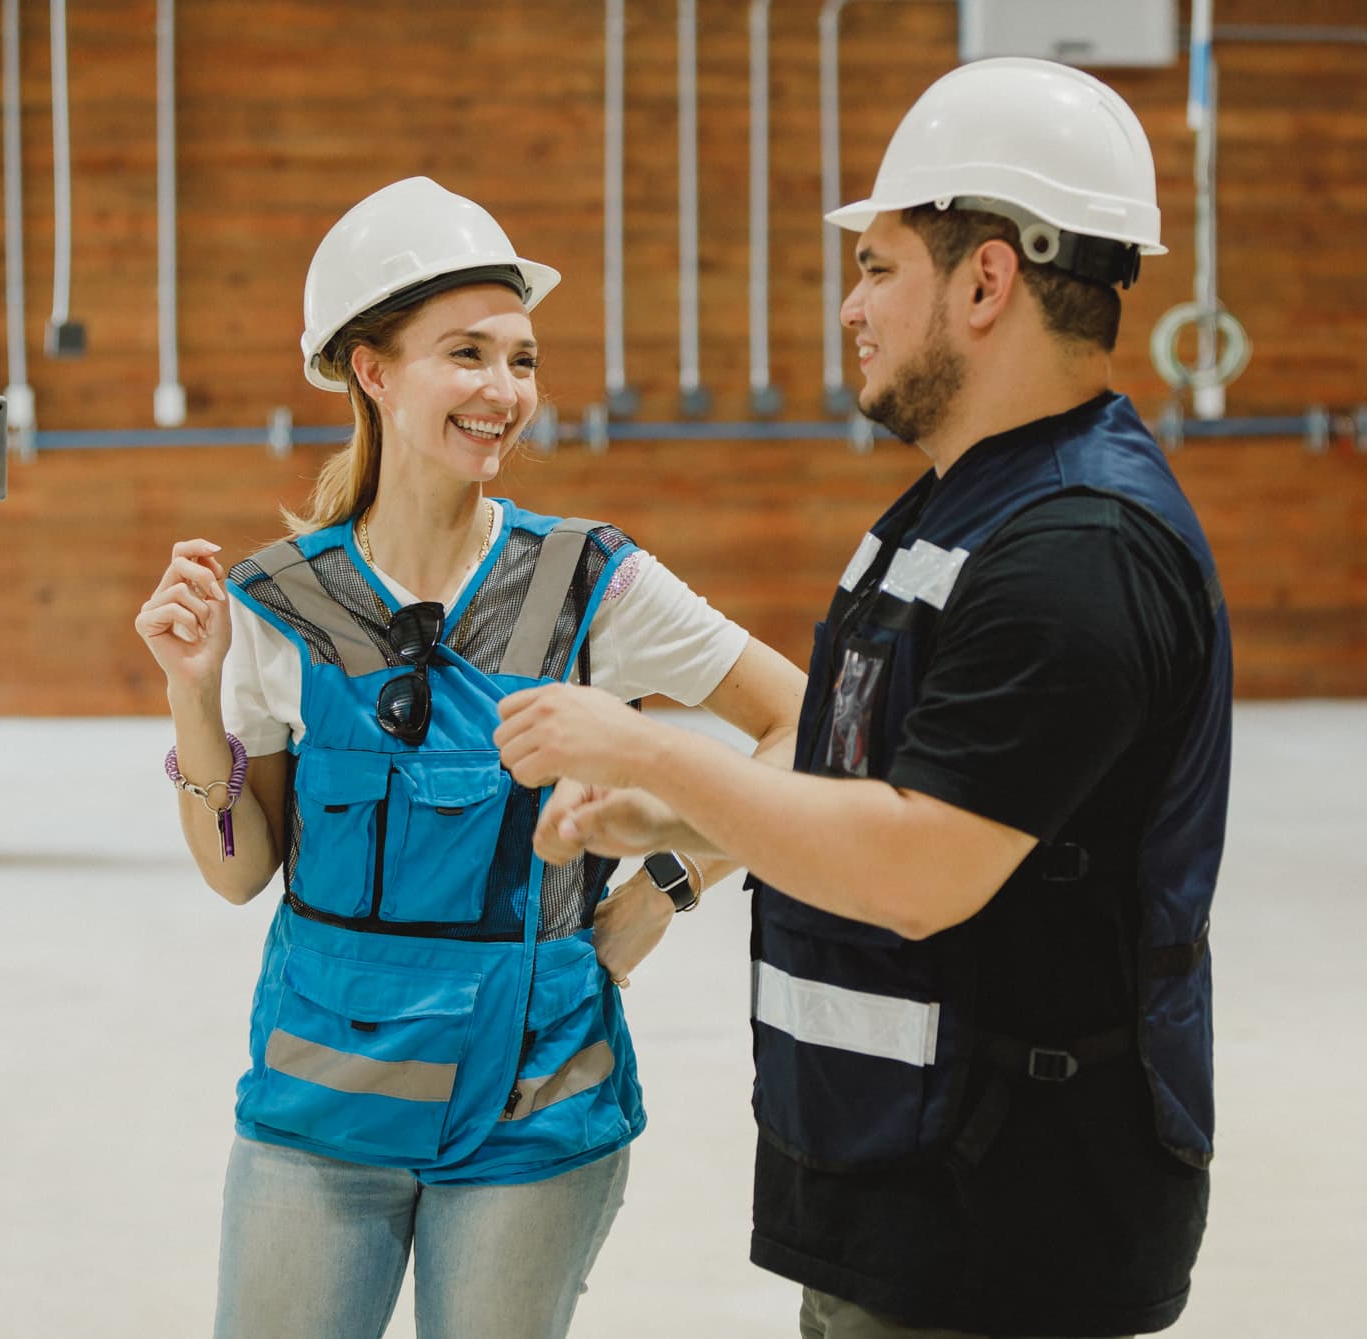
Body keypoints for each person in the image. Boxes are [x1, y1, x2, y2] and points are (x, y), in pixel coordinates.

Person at [495, 58, 1233, 1339]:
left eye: (881, 266)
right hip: (905, 1176)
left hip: (1010, 1226)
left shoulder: (1076, 552)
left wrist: (658, 755)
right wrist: (682, 834)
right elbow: (875, 785)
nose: (850, 305)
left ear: (987, 278)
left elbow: (918, 866)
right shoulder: (956, 513)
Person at [132, 176, 804, 1339]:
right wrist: (195, 697)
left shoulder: (591, 580)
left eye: (522, 359)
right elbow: (239, 870)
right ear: (371, 370)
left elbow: (813, 728)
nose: (504, 392)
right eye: (466, 354)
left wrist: (662, 891)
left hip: (534, 1109)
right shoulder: (277, 604)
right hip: (319, 1110)